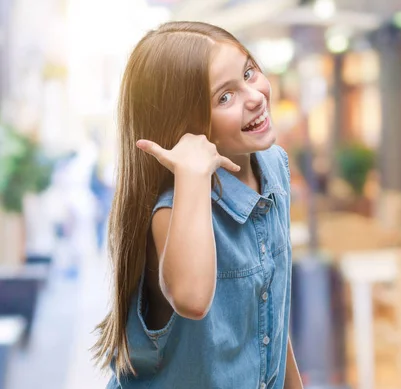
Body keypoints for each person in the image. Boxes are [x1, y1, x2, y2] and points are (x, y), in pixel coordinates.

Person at [92, 21, 303, 389]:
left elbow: (269, 314)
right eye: (225, 97)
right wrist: (192, 172)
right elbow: (192, 298)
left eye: (249, 72)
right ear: (186, 127)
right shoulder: (172, 210)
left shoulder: (274, 167)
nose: (254, 96)